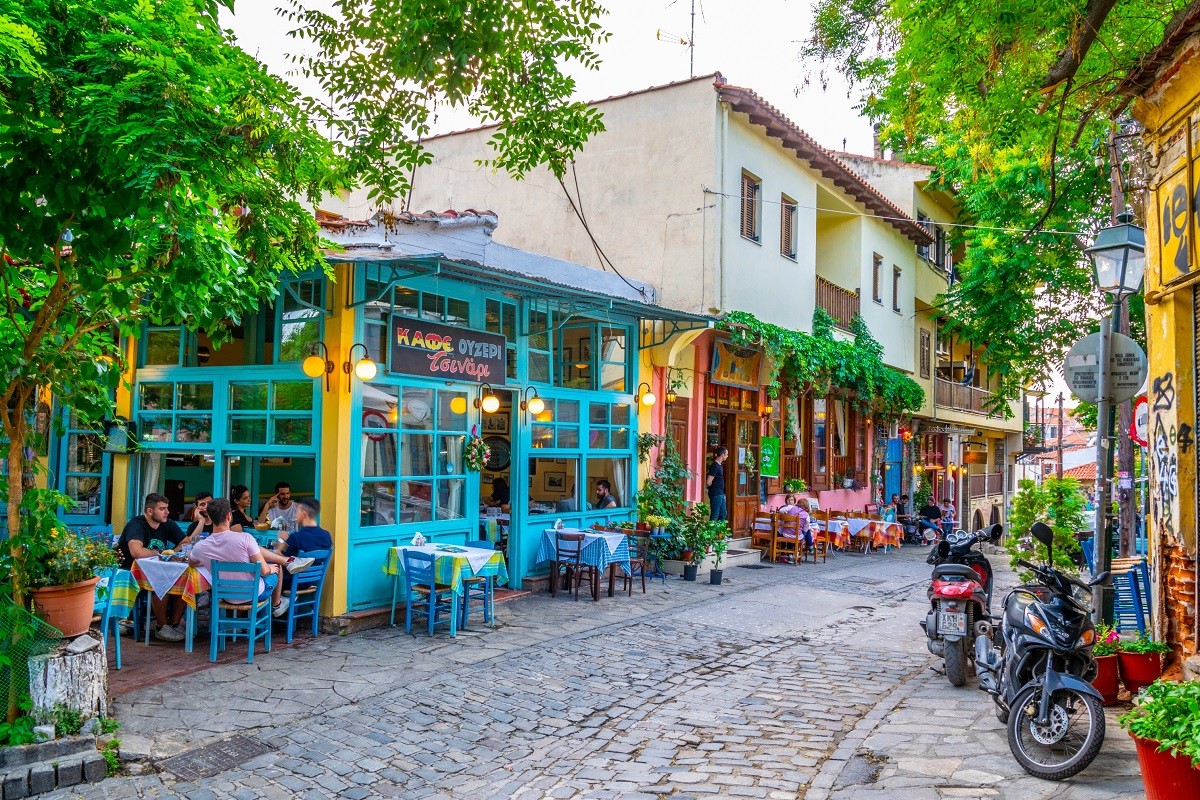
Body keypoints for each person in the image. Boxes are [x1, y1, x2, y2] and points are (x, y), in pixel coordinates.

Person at [188, 498, 290, 618]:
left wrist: (209, 561)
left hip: (225, 595)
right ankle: (277, 605)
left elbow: (191, 563)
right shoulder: (245, 538)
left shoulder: (200, 546)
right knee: (276, 566)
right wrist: (271, 569)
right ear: (229, 516)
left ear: (209, 517)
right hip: (253, 594)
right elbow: (265, 571)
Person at [117, 493, 188, 641]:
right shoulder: (136, 525)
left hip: (155, 570)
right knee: (162, 582)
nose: (167, 512)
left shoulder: (166, 523)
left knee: (184, 581)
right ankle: (161, 627)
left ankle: (174, 624)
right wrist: (161, 553)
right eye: (162, 509)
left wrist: (172, 553)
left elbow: (186, 542)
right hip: (130, 573)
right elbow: (136, 552)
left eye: (167, 508)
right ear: (150, 511)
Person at [707, 447, 729, 522]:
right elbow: (708, 481)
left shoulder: (720, 465)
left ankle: (719, 532)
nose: (727, 456)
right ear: (722, 455)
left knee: (723, 513)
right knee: (715, 514)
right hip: (716, 493)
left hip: (721, 493)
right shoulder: (715, 465)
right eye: (726, 454)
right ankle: (710, 532)